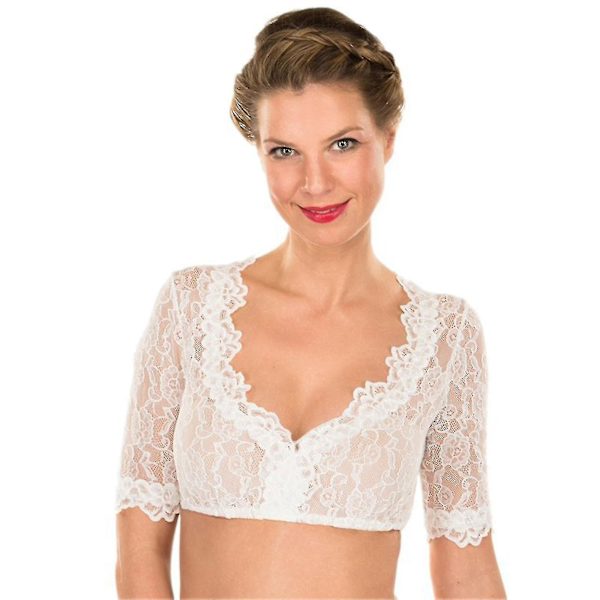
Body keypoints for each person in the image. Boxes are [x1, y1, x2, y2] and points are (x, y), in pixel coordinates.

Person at [115, 7, 506, 599]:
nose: (315, 182)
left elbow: (466, 564)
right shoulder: (192, 307)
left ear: (388, 139)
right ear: (258, 152)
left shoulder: (445, 335)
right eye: (284, 151)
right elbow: (138, 554)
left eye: (342, 144)